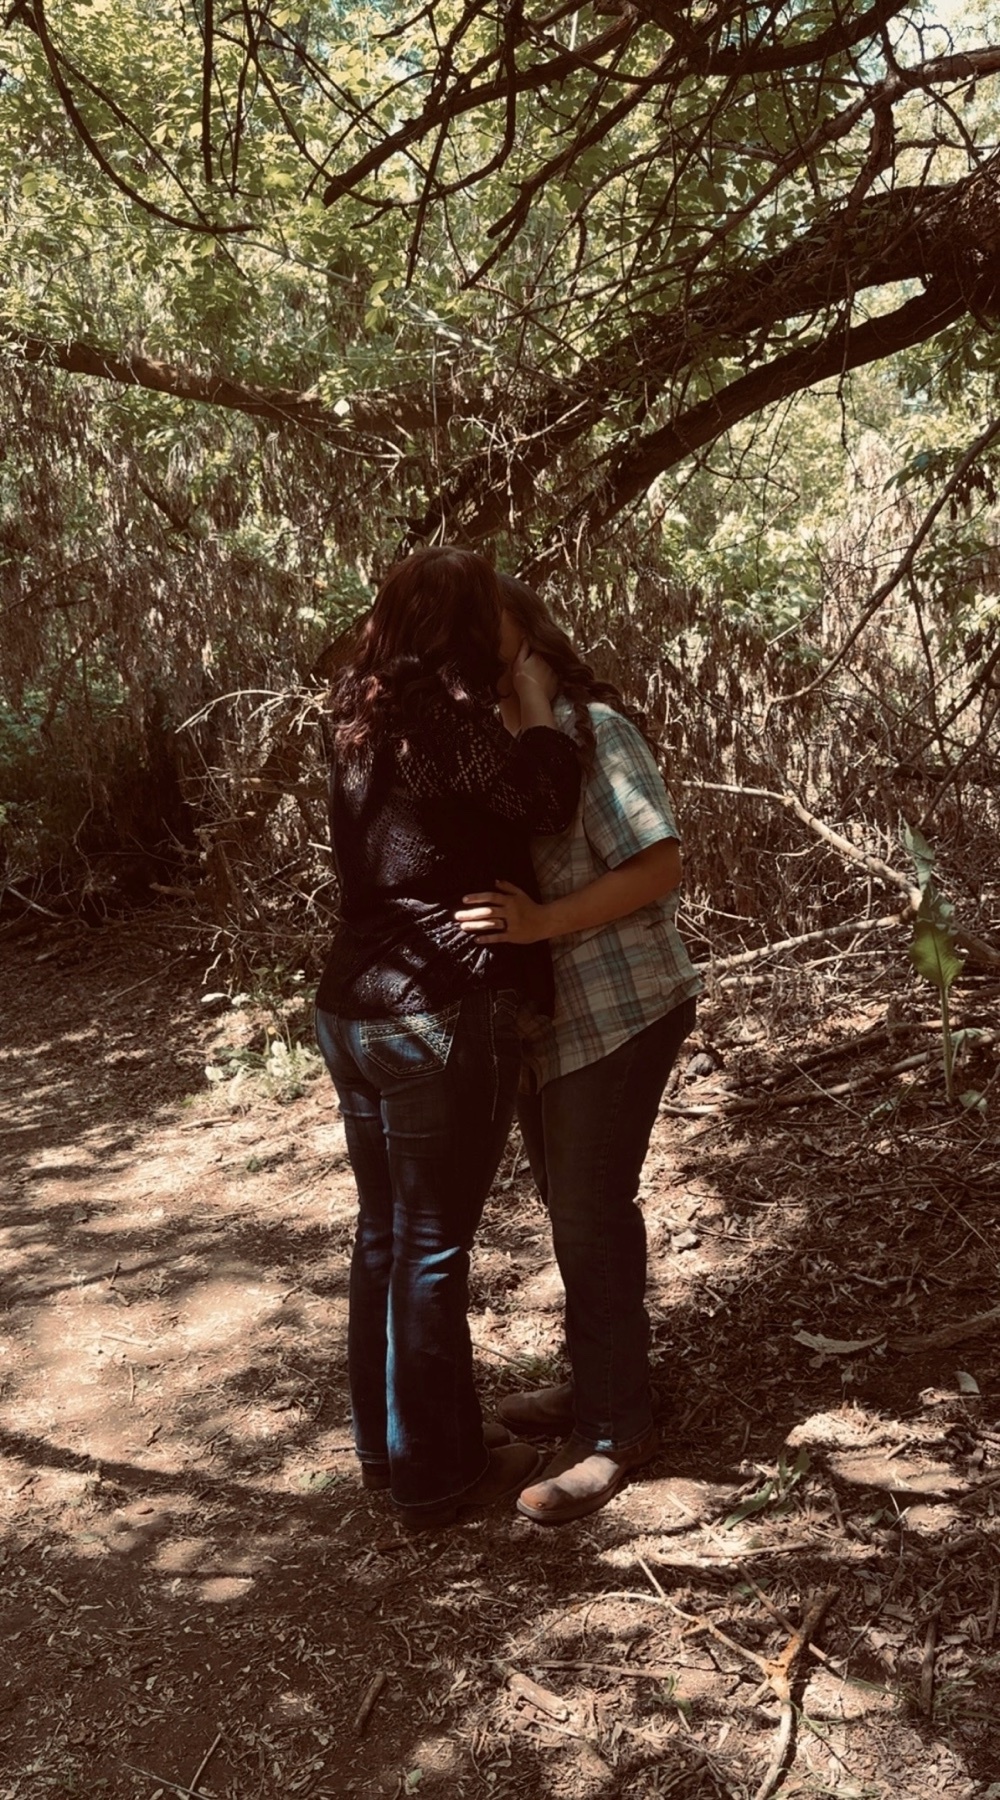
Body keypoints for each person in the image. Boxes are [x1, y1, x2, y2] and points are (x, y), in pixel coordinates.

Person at [314, 547, 581, 1532]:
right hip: (437, 1003)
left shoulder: (356, 711)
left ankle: (393, 1454)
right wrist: (537, 707)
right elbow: (542, 800)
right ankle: (441, 1475)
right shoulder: (437, 712)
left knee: (384, 1237)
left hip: (353, 1003)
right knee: (428, 1249)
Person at [455, 575, 702, 1524]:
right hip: (556, 1023)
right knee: (572, 1207)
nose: (478, 646)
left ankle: (616, 1430)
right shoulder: (506, 751)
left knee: (589, 1211)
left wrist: (540, 923)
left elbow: (660, 865)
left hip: (625, 1002)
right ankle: (600, 1379)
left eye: (493, 629)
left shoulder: (595, 730)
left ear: (534, 637)